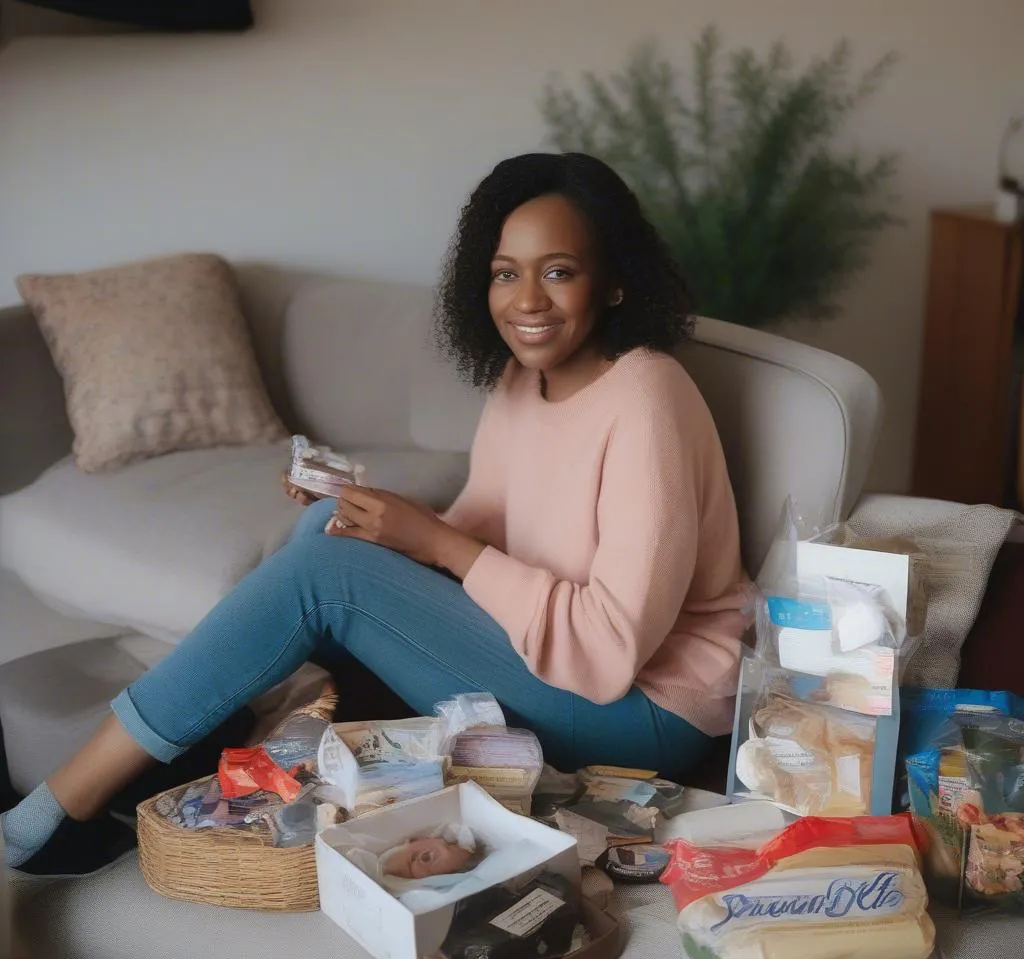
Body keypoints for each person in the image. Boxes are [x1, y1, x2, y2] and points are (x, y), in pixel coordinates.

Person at [1, 152, 751, 869]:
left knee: (328, 573)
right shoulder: (524, 384)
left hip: (642, 710)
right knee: (322, 533)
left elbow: (608, 646)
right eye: (504, 274)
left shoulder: (648, 396)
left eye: (559, 272)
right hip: (547, 657)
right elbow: (474, 535)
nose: (527, 301)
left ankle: (64, 804)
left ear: (614, 282)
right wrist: (371, 512)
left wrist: (433, 543)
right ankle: (205, 742)